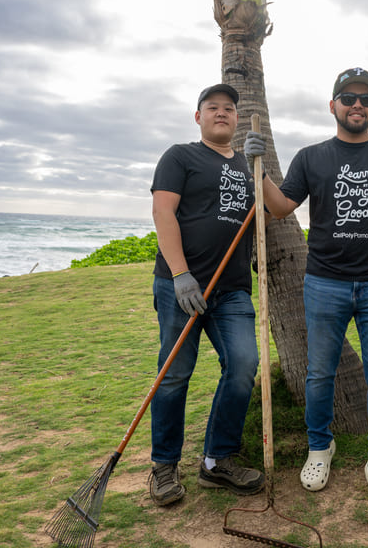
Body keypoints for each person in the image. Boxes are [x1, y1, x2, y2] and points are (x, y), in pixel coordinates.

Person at [243, 67, 368, 518]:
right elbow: (282, 206)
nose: (357, 105)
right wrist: (257, 168)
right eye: (348, 97)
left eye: (366, 99)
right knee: (319, 374)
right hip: (324, 282)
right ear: (333, 106)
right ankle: (319, 448)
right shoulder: (311, 157)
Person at [147, 83, 264, 506]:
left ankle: (217, 461)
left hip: (231, 291)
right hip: (181, 286)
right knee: (175, 373)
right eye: (212, 107)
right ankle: (163, 466)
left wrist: (258, 163)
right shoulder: (180, 156)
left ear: (236, 118)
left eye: (229, 108)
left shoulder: (249, 167)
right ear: (198, 117)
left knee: (243, 365)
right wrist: (181, 275)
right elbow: (163, 211)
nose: (221, 113)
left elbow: (280, 207)